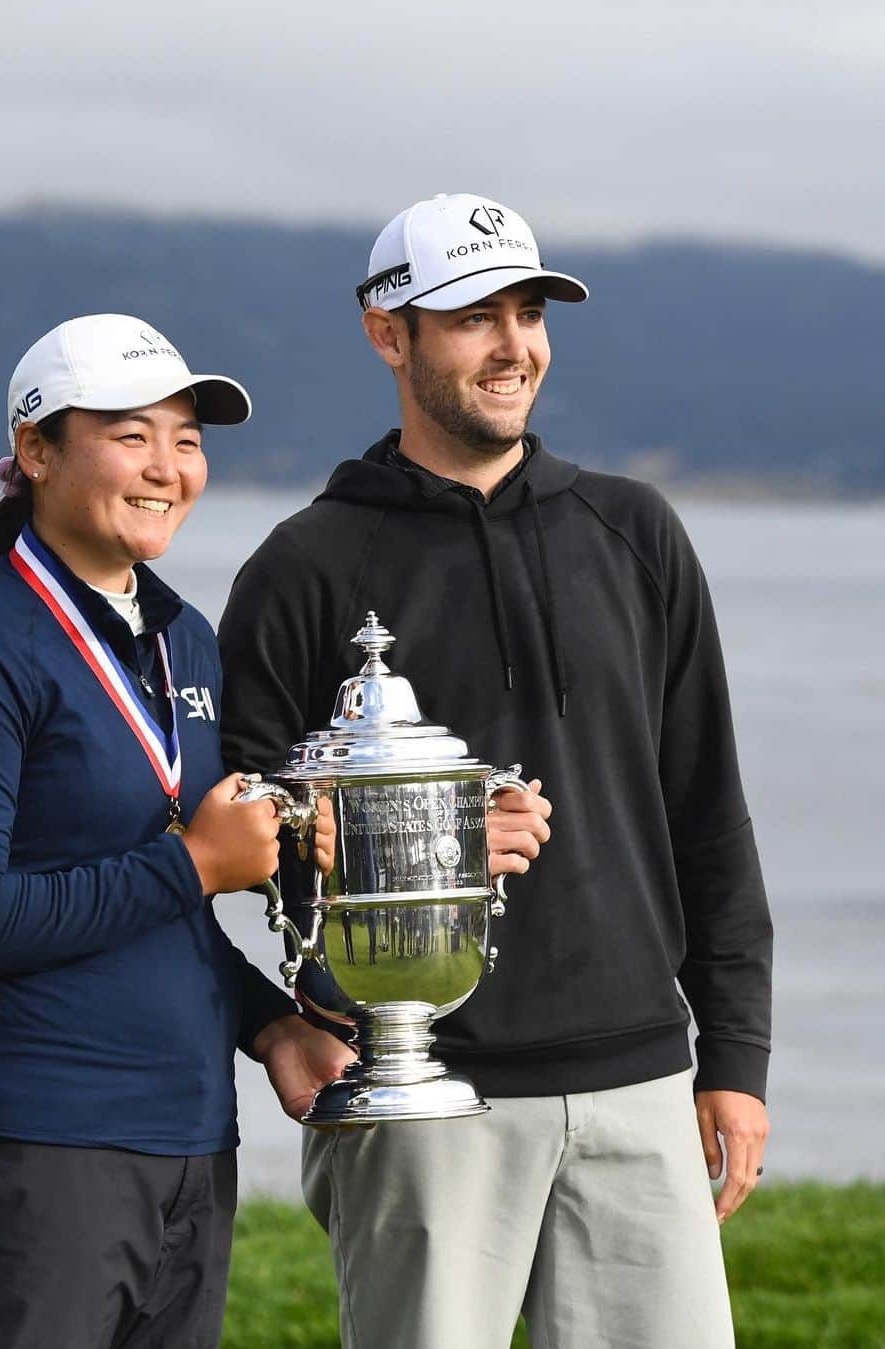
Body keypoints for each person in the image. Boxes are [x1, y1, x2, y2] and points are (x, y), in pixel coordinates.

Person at [217, 194, 773, 1348]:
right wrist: (425, 844)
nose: (514, 344)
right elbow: (244, 833)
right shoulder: (305, 565)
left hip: (637, 1078)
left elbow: (706, 807)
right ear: (390, 333)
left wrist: (736, 1053)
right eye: (473, 317)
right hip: (417, 1094)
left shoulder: (636, 532)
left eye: (528, 312)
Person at [0, 312, 352, 1349]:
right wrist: (192, 862)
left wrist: (269, 1023)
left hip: (185, 1147)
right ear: (35, 452)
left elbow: (154, 914)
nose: (167, 466)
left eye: (186, 438)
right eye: (130, 435)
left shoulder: (183, 637)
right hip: (22, 1151)